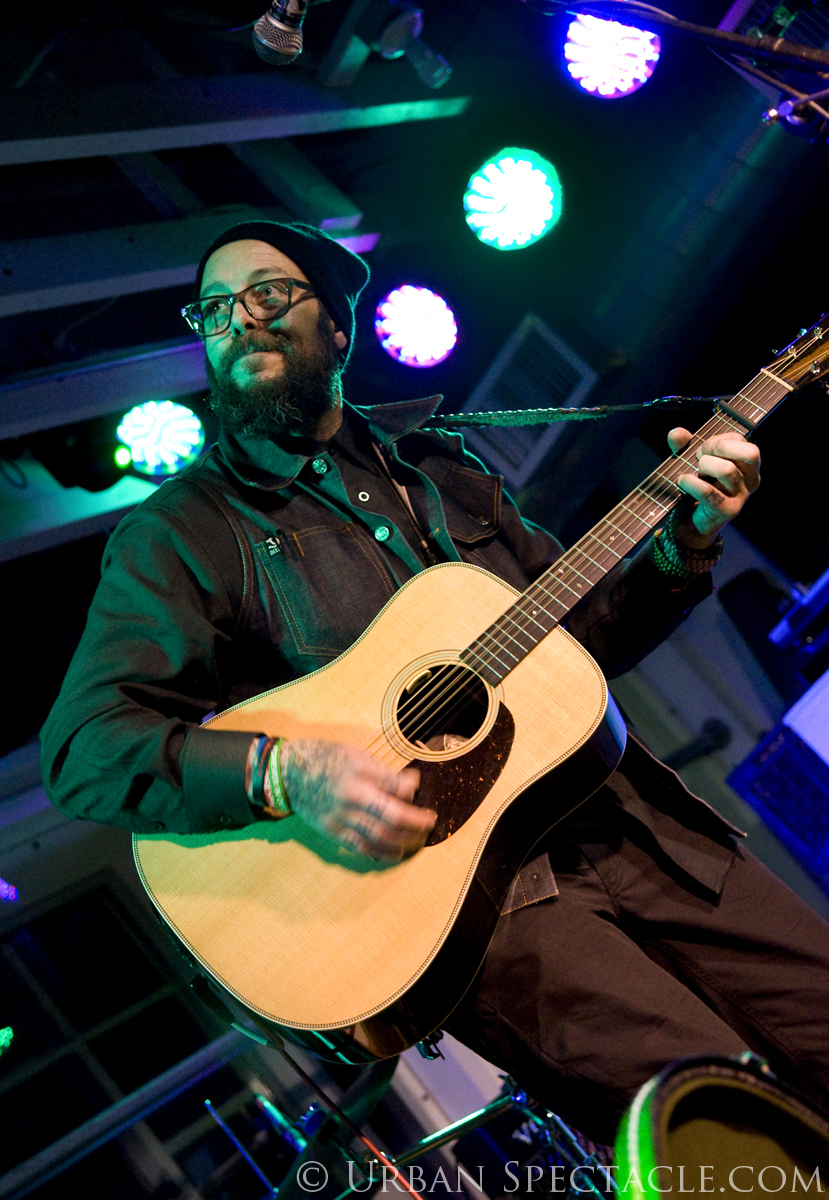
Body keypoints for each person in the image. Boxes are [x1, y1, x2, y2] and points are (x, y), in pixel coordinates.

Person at [41, 222, 829, 1147]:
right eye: (213, 310)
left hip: (642, 833)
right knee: (744, 1146)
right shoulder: (184, 533)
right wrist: (284, 770)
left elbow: (581, 644)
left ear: (338, 327)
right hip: (490, 926)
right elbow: (85, 748)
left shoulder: (442, 467)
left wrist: (683, 542)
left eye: (267, 294)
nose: (239, 320)